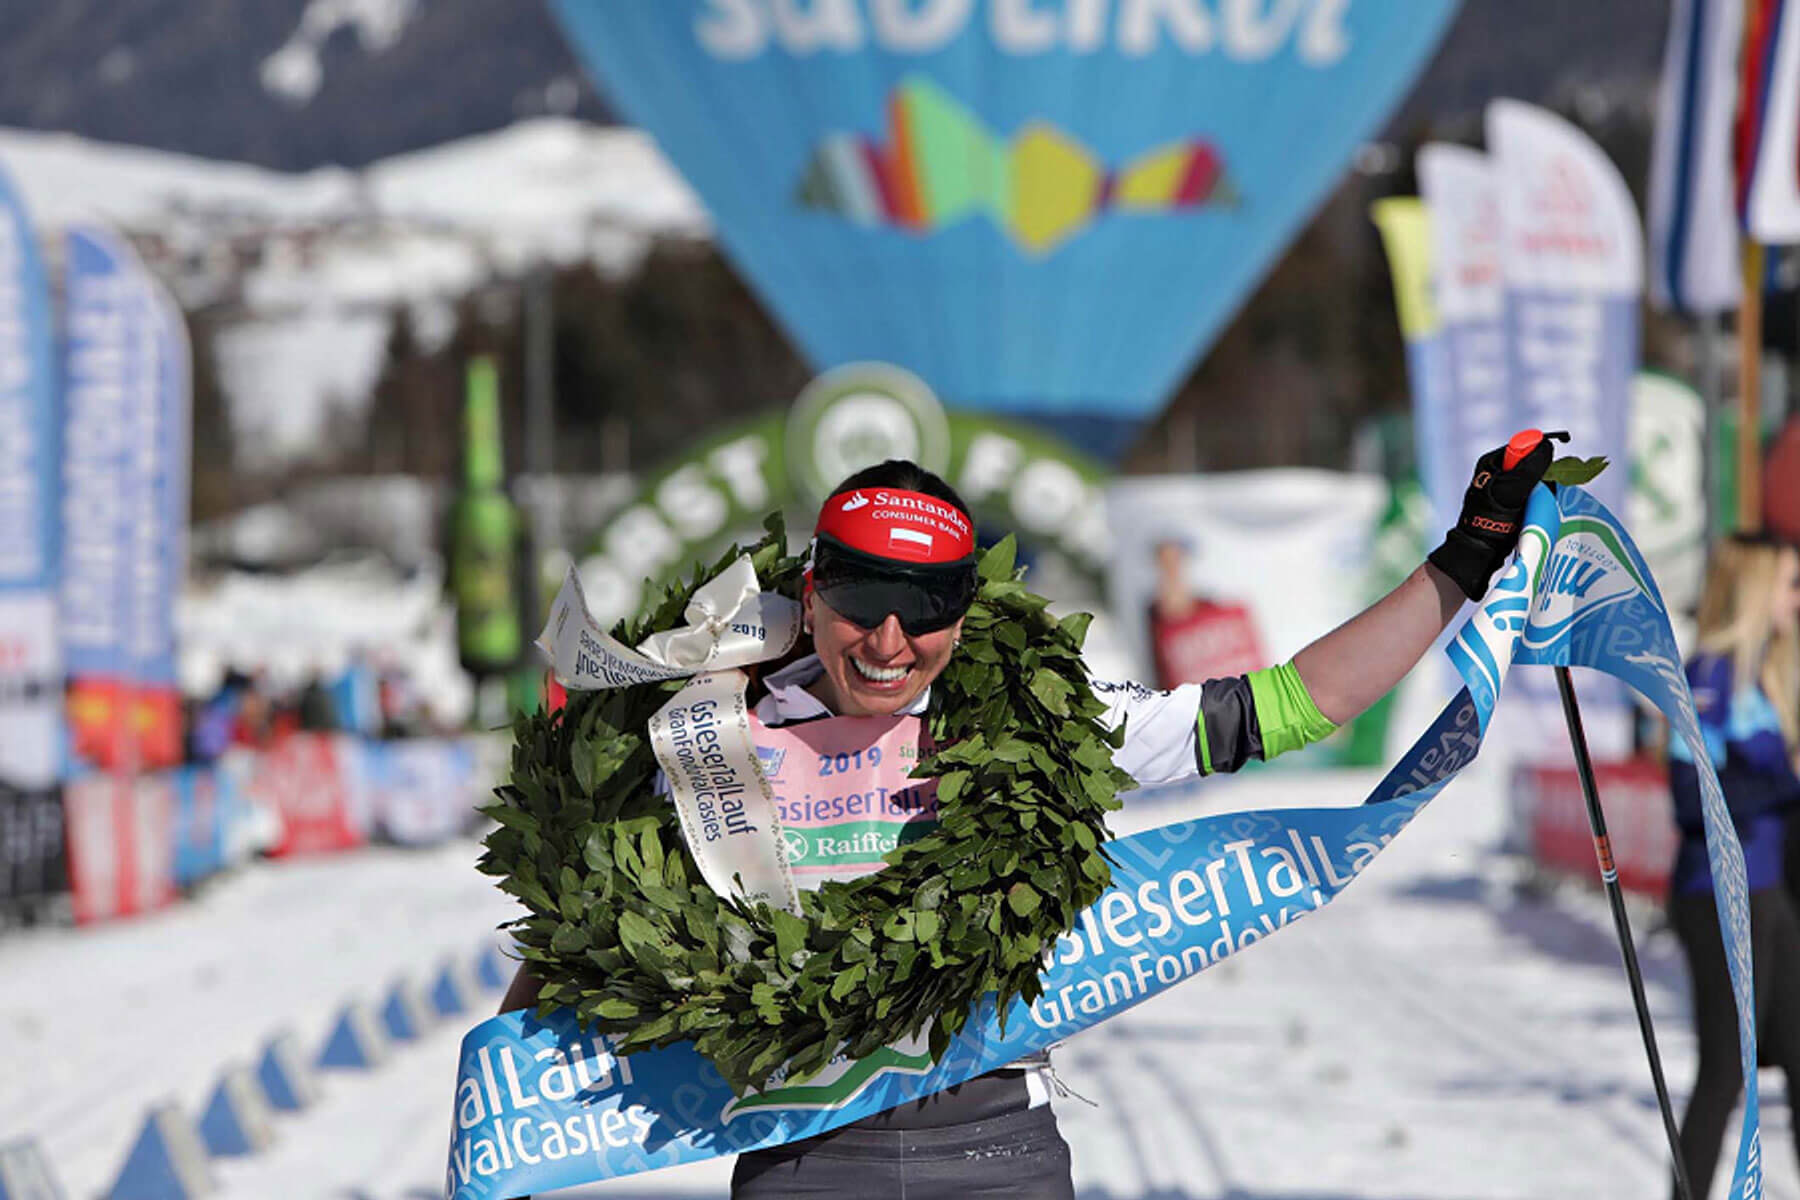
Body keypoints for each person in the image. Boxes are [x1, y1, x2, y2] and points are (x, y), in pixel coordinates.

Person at [500, 432, 1559, 1199]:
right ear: (810, 590)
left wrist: (1464, 560)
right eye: (862, 604)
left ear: (967, 612)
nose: (887, 644)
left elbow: (1290, 705)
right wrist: (500, 1109)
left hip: (995, 1151)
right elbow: (577, 915)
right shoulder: (704, 732)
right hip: (804, 1156)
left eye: (927, 615)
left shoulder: (1031, 723)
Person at [1666, 533, 1800, 1200]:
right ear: (1755, 593)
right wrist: (1785, 783)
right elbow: (1691, 797)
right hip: (1716, 894)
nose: (1797, 601)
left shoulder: (1768, 673)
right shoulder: (1706, 677)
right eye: (1789, 585)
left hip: (1770, 889)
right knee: (1724, 1072)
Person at [1146, 535, 1267, 689]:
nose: (1170, 572)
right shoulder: (1158, 628)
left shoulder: (1228, 616)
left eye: (1174, 562)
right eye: (1164, 564)